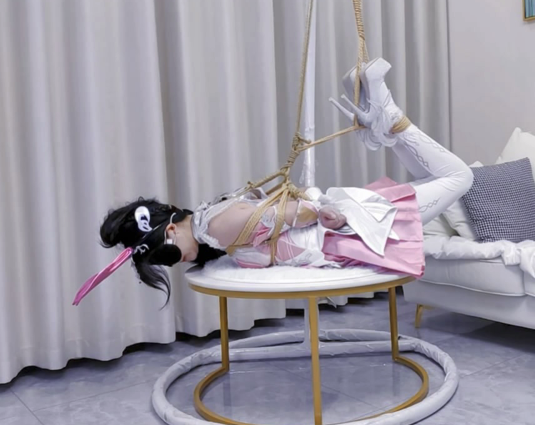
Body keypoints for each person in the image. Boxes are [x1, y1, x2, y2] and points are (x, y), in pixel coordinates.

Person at [73, 58, 473, 306]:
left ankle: (386, 110)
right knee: (441, 177)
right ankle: (383, 115)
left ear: (172, 228)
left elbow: (300, 213)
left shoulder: (217, 226)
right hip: (342, 230)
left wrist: (317, 210)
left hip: (350, 231)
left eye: (168, 255)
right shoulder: (211, 221)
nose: (177, 263)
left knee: (459, 176)